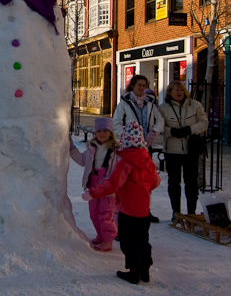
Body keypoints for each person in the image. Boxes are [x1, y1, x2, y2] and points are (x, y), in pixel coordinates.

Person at [83, 121, 160, 284]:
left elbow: (112, 184)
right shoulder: (147, 161)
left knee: (128, 241)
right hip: (144, 210)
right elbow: (155, 182)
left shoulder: (125, 162)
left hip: (128, 210)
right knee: (142, 240)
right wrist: (144, 189)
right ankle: (145, 270)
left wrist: (92, 193)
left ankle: (134, 272)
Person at [113, 74, 164, 222]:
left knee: (145, 179)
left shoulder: (150, 102)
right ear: (133, 86)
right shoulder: (125, 102)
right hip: (129, 148)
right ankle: (125, 209)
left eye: (144, 85)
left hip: (145, 148)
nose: (141, 88)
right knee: (129, 179)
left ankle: (145, 209)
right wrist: (127, 138)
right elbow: (116, 122)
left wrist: (153, 132)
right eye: (139, 85)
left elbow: (160, 120)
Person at [158, 80, 208, 220]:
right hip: (172, 150)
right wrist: (171, 132)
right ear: (170, 92)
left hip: (190, 150)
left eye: (181, 90)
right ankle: (176, 212)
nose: (179, 93)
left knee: (191, 182)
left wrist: (190, 130)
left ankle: (191, 212)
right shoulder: (163, 108)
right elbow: (158, 127)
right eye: (176, 90)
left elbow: (204, 123)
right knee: (174, 182)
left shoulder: (195, 105)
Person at [69, 117, 120, 252]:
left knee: (105, 214)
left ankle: (108, 240)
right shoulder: (92, 148)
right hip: (93, 184)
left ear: (111, 133)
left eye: (105, 131)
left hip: (108, 186)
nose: (101, 134)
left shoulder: (116, 151)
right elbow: (81, 160)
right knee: (94, 213)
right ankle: (101, 235)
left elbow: (119, 170)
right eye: (99, 131)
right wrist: (72, 148)